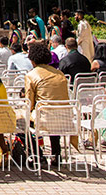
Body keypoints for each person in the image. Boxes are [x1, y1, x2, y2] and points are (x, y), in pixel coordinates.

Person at [24, 40, 70, 170]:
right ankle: (56, 154)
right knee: (52, 115)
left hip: (44, 118)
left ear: (32, 59)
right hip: (64, 118)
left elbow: (29, 103)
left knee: (22, 121)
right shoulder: (59, 74)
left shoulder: (31, 75)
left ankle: (37, 154)